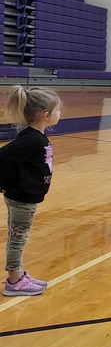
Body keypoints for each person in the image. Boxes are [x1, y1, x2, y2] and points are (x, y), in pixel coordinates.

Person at [0, 86, 60, 296]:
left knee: (18, 237)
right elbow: (4, 157)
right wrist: (4, 184)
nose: (59, 114)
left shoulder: (34, 136)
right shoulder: (31, 139)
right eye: (57, 110)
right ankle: (14, 282)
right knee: (18, 239)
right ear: (45, 115)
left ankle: (18, 274)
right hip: (22, 200)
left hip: (26, 198)